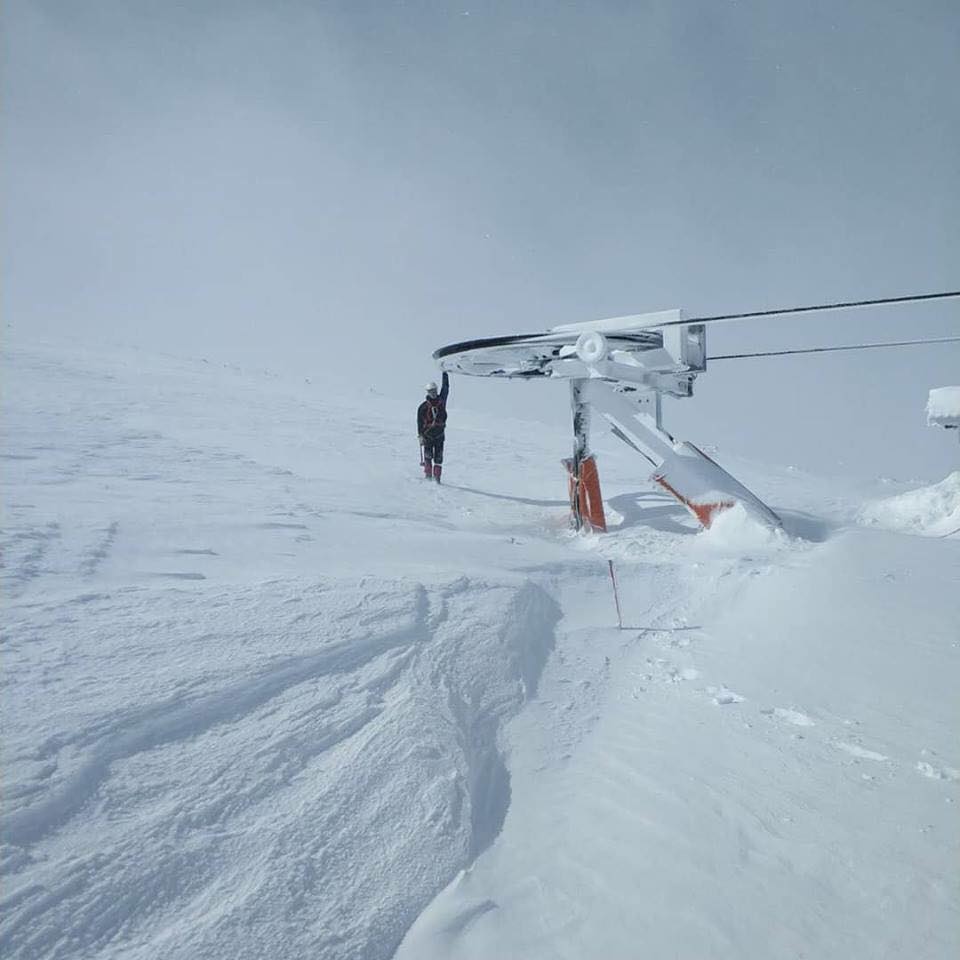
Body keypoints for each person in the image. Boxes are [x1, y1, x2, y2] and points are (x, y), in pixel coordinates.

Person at [418, 371, 449, 482]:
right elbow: (419, 423)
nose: (433, 393)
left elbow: (446, 388)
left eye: (434, 391)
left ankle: (437, 478)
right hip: (427, 436)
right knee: (428, 456)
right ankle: (428, 476)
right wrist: (420, 436)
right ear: (427, 392)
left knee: (438, 458)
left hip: (439, 435)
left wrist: (445, 372)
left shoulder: (441, 401)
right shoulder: (423, 407)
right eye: (431, 391)